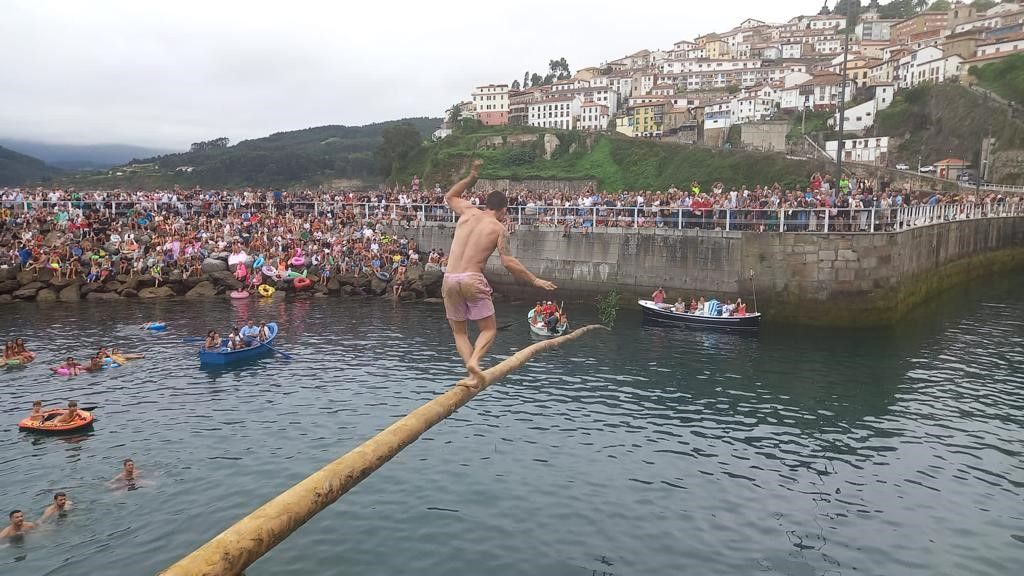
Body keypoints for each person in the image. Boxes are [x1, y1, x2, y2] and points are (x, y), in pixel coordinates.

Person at [442, 159, 556, 387]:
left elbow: (449, 196)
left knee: (460, 332)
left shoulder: (467, 211)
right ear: (503, 210)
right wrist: (535, 280)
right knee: (489, 329)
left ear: (486, 205)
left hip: (449, 278)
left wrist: (471, 178)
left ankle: (472, 375)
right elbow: (508, 262)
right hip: (472, 279)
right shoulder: (499, 229)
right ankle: (474, 362)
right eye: (506, 211)